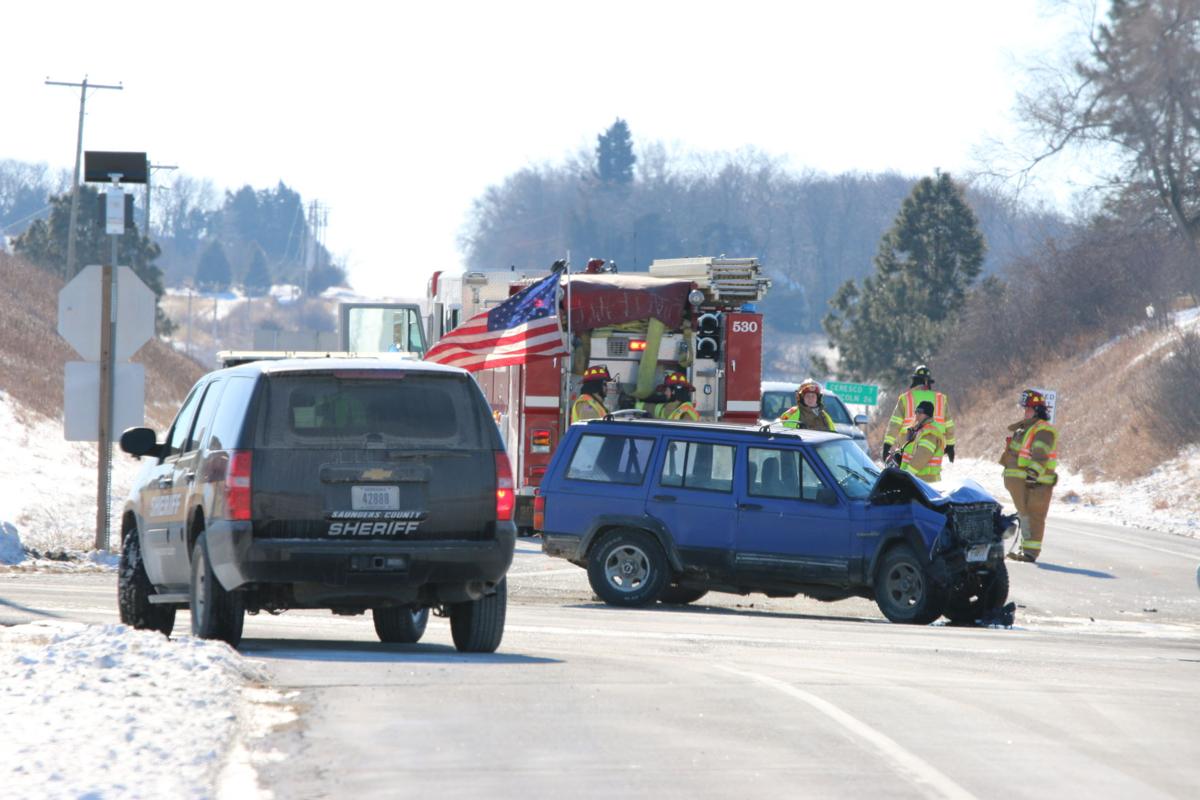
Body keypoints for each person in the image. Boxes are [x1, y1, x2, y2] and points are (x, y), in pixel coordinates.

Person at [1001, 389, 1060, 563]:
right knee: (1025, 516)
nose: (1025, 412)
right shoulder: (1026, 428)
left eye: (1028, 409)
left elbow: (1041, 454)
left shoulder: (1043, 430)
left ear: (1037, 411)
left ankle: (1030, 553)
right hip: (1026, 483)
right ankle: (1025, 550)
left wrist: (1033, 474)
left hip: (1037, 484)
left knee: (1034, 517)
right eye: (1025, 409)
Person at [882, 365, 956, 465]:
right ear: (929, 382)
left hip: (909, 445)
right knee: (930, 473)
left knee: (908, 472)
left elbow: (895, 424)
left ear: (914, 381)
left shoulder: (906, 398)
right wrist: (950, 446)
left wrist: (887, 444)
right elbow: (949, 425)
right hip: (934, 446)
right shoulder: (940, 399)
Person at [895, 400, 947, 482]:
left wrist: (906, 475)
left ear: (927, 415)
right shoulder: (920, 430)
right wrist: (901, 456)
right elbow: (912, 451)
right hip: (917, 480)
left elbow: (922, 456)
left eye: (920, 412)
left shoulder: (930, 432)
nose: (917, 414)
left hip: (925, 482)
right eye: (916, 411)